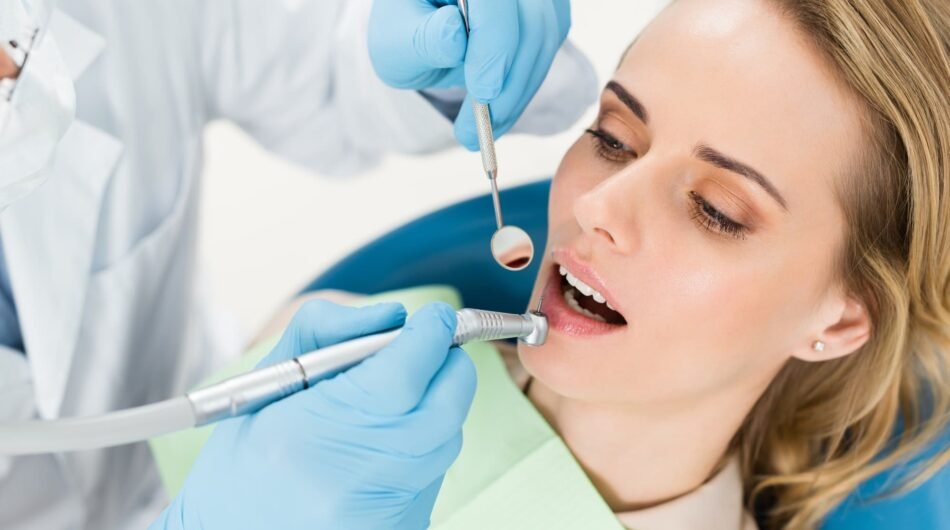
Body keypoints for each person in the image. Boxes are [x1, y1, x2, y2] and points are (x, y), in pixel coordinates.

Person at [264, 0, 948, 527]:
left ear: (842, 318)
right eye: (613, 138)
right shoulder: (336, 350)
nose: (597, 205)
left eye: (715, 210)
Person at [0, 0, 596, 529]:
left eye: (613, 141)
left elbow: (332, 68)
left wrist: (442, 51)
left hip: (205, 426)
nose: (600, 209)